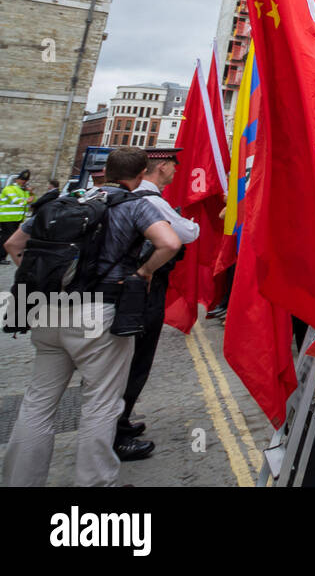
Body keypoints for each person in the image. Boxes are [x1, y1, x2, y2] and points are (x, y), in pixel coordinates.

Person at [3, 148, 181, 487]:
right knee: (101, 402)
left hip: (46, 308)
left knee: (38, 402)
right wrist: (143, 273)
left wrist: (48, 282)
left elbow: (14, 245)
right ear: (142, 172)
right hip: (98, 312)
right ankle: (96, 483)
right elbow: (169, 243)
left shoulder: (70, 199)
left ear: (107, 170)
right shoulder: (134, 204)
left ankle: (20, 481)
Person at [115, 148, 201, 462]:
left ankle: (118, 423)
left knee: (123, 362)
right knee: (134, 362)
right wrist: (146, 271)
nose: (177, 172)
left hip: (118, 289)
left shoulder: (119, 196)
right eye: (174, 166)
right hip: (141, 290)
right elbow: (184, 234)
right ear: (161, 167)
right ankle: (116, 433)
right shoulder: (149, 200)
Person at [0, 168, 34, 263]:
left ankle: (2, 256)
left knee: (6, 237)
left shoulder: (24, 191)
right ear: (17, 180)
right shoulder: (9, 189)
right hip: (6, 217)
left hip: (16, 218)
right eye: (22, 180)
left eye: (26, 180)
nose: (24, 182)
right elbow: (16, 201)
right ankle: (1, 257)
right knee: (8, 238)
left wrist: (31, 193)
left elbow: (34, 201)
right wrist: (27, 200)